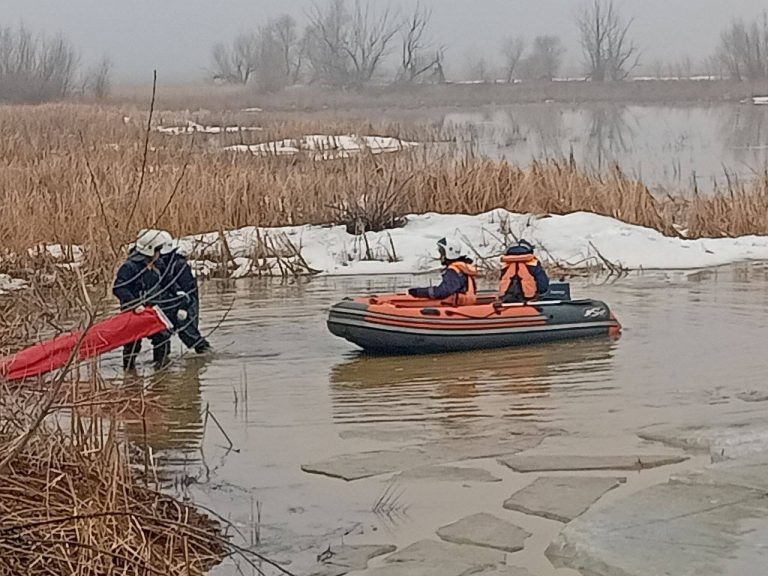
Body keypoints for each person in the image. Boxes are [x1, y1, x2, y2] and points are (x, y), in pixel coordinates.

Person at [113, 230, 187, 371]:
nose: (160, 253)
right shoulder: (129, 267)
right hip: (133, 312)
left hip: (153, 311)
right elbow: (118, 288)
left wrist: (178, 292)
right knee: (133, 343)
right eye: (158, 250)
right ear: (150, 250)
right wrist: (134, 304)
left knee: (162, 338)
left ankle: (161, 371)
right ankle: (129, 373)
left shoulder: (158, 264)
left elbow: (167, 281)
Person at [156, 230, 212, 354]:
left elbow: (188, 289)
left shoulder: (178, 265)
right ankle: (162, 363)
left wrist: (184, 307)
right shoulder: (158, 264)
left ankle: (205, 353)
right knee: (161, 335)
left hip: (185, 302)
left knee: (188, 332)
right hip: (167, 302)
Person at [408, 237, 478, 306]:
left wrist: (418, 292)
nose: (440, 256)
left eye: (442, 253)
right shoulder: (463, 268)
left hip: (458, 307)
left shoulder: (453, 271)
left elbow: (442, 292)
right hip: (466, 304)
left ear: (448, 252)